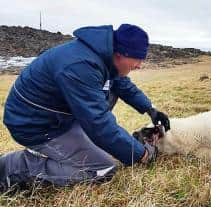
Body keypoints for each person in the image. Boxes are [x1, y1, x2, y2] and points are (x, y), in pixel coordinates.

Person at [0, 24, 170, 191]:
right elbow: (99, 123)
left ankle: (75, 143)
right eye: (137, 58)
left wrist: (151, 109)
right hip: (35, 123)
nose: (139, 65)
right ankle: (11, 167)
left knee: (111, 92)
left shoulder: (104, 57)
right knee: (102, 169)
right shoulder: (81, 66)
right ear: (120, 54)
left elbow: (122, 85)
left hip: (58, 115)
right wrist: (142, 154)